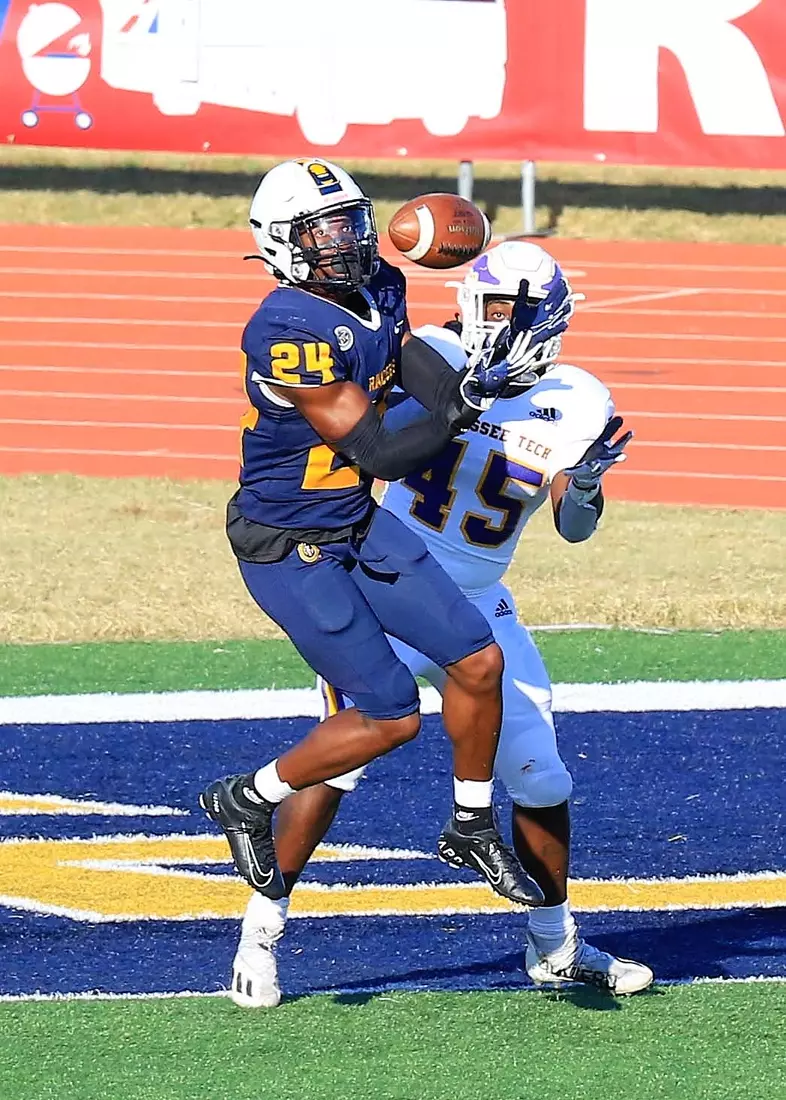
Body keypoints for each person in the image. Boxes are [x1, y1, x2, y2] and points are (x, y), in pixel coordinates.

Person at [229, 241, 654, 1007]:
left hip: (481, 597)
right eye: (486, 305)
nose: (492, 322)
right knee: (344, 758)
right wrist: (465, 397)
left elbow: (574, 526)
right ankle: (262, 926)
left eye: (510, 310)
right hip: (385, 575)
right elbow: (371, 442)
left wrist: (585, 486)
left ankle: (554, 946)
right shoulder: (431, 353)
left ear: (548, 321)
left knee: (540, 772)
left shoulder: (578, 397)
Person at [199, 160, 546, 931]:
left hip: (354, 521)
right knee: (391, 716)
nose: (345, 242)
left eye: (351, 222)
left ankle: (471, 824)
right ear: (281, 244)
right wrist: (470, 407)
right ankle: (247, 797)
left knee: (480, 660)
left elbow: (409, 358)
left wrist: (467, 384)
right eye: (322, 232)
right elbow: (383, 453)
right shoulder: (284, 327)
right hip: (289, 541)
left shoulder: (380, 283)